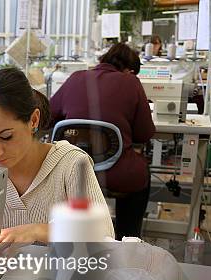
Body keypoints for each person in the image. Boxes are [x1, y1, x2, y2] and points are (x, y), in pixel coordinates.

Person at [0, 68, 114, 260]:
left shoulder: (71, 164)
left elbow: (104, 237)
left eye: (6, 137)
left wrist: (38, 230)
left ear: (33, 120)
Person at [50, 42, 155, 240]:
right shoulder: (131, 82)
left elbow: (48, 117)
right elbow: (144, 134)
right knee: (140, 174)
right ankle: (127, 239)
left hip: (73, 171)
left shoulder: (76, 78)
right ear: (130, 70)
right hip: (115, 174)